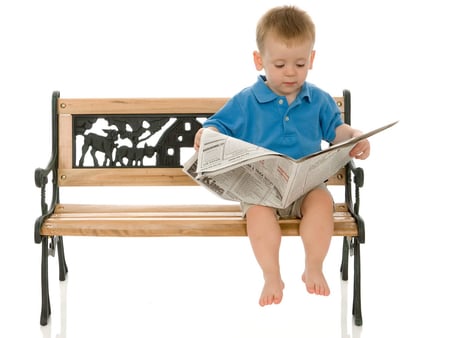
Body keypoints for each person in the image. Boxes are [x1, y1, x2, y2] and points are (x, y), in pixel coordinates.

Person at [194, 5, 370, 307]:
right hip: (261, 189)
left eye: (300, 64)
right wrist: (205, 135)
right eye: (280, 65)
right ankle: (271, 274)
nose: (291, 72)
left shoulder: (318, 100)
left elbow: (335, 130)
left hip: (306, 186)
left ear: (312, 60)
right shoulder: (247, 101)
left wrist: (354, 137)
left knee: (322, 205)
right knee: (259, 218)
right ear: (259, 61)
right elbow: (216, 126)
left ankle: (313, 265)